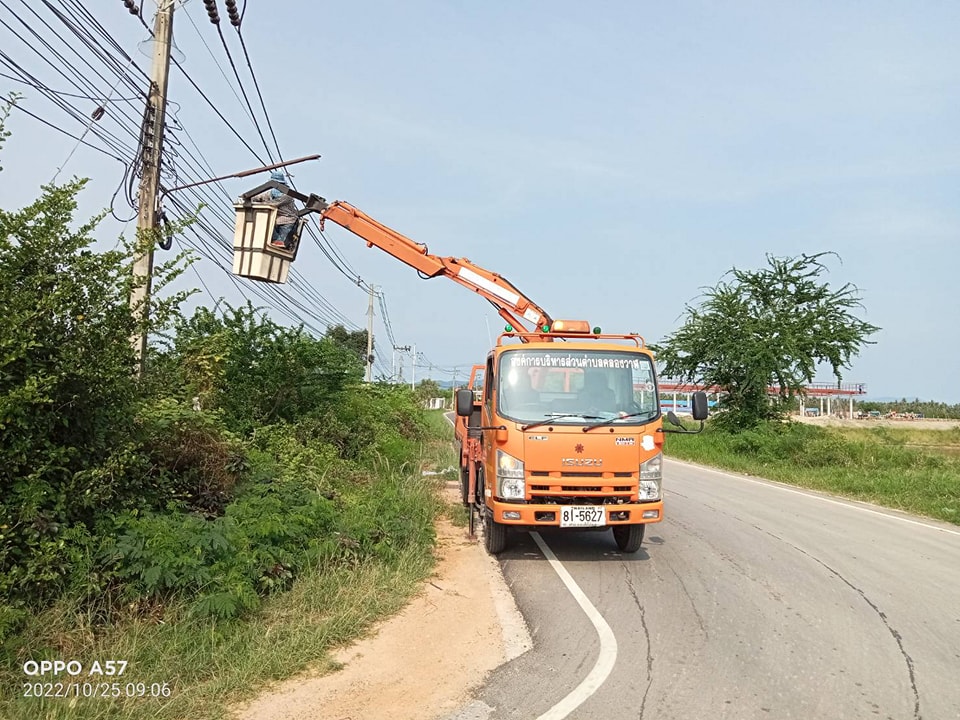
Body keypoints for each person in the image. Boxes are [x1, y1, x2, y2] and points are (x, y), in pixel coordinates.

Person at [253, 170, 299, 249]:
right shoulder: (271, 193)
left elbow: (273, 203)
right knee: (267, 232)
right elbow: (260, 197)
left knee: (281, 244)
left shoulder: (287, 196)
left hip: (288, 221)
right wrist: (250, 199)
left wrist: (259, 203)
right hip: (276, 220)